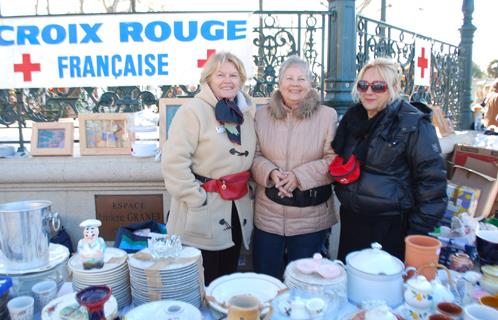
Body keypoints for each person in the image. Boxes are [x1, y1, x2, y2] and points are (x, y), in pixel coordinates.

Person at [331, 57, 448, 262]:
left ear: (393, 88)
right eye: (363, 85)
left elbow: (432, 182)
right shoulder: (352, 119)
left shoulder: (412, 123)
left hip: (390, 226)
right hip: (352, 220)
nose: (369, 91)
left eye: (378, 86)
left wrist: (417, 231)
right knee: (351, 282)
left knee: (382, 288)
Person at [161, 52, 256, 286]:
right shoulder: (192, 112)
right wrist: (197, 199)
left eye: (234, 75)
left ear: (241, 80)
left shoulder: (246, 112)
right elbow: (174, 162)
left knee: (227, 279)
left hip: (236, 208)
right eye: (220, 74)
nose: (228, 80)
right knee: (204, 281)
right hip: (204, 210)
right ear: (208, 79)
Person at [251, 55, 338, 279]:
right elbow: (253, 155)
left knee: (304, 284)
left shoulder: (327, 116)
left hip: (310, 219)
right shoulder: (260, 116)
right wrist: (271, 173)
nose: (295, 84)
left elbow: (333, 160)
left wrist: (298, 177)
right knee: (266, 281)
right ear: (279, 83)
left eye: (302, 78)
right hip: (268, 216)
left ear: (310, 83)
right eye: (289, 78)